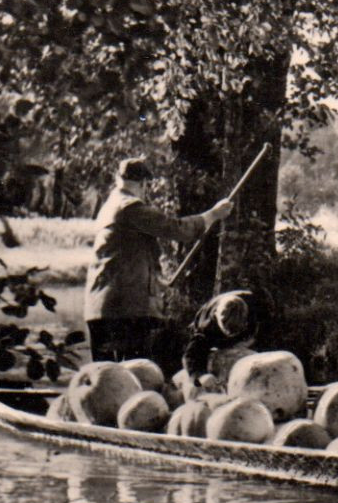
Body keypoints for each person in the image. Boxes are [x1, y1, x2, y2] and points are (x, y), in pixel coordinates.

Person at [84, 157, 233, 366]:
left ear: (119, 179)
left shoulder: (108, 207)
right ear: (144, 184)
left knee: (103, 378)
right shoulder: (130, 207)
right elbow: (176, 228)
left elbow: (127, 258)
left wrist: (157, 283)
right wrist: (213, 215)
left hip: (99, 308)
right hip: (126, 310)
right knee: (135, 375)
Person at [181, 289, 272, 392]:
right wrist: (200, 376)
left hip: (249, 324)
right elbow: (191, 355)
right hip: (215, 333)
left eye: (237, 330)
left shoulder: (257, 305)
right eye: (229, 330)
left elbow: (267, 331)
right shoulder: (205, 327)